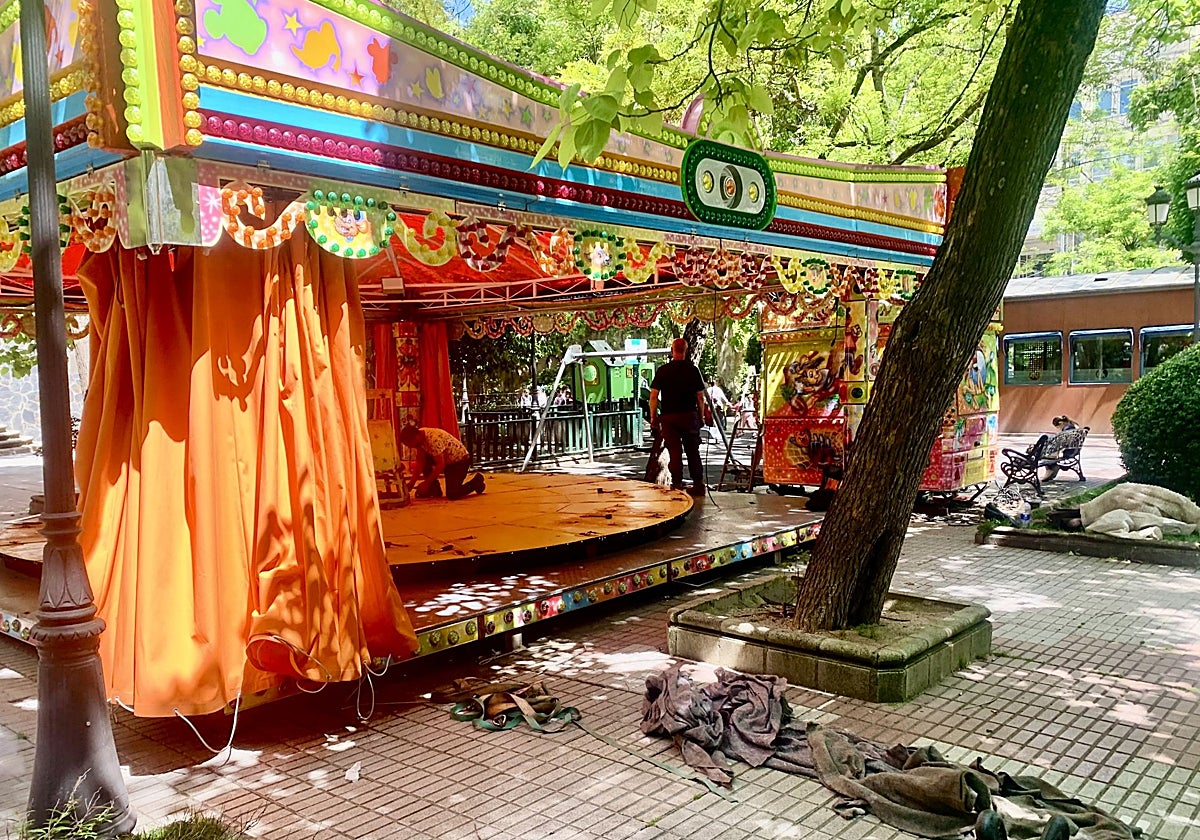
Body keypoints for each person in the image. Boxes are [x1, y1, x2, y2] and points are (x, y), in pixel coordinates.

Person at [648, 338, 711, 497]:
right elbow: (700, 397)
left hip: (669, 417)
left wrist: (653, 417)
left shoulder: (663, 370)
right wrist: (701, 416)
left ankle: (677, 484)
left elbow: (654, 396)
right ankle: (698, 484)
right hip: (689, 416)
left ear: (672, 350)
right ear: (686, 350)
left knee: (674, 452)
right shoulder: (693, 370)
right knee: (692, 452)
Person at [398, 425, 485, 500]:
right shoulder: (420, 438)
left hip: (459, 462)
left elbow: (441, 465)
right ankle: (434, 489)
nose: (409, 447)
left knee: (453, 494)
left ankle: (476, 481)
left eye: (409, 444)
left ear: (415, 437)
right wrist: (412, 483)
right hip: (448, 461)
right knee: (425, 461)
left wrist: (426, 483)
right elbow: (421, 462)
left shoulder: (433, 440)